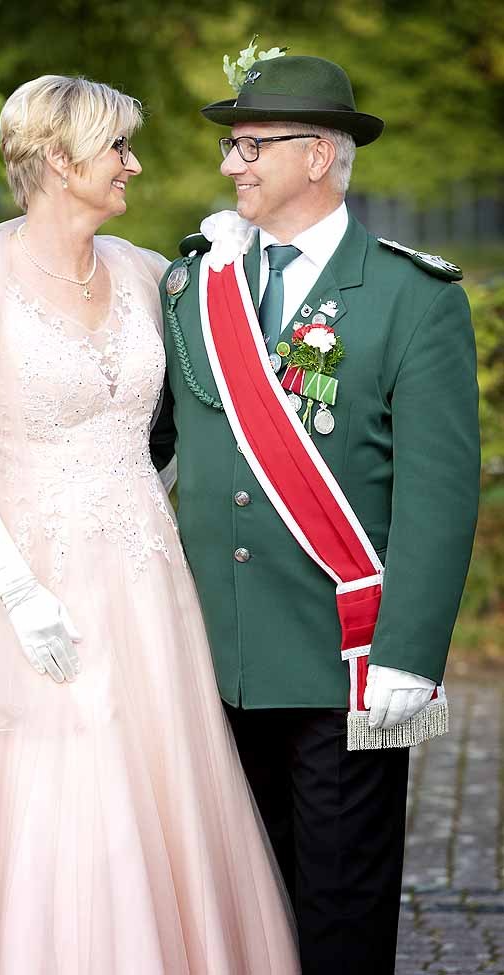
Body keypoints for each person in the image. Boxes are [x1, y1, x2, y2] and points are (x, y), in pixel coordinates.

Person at [0, 75, 301, 974]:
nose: (133, 164)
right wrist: (20, 594)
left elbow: (212, 390)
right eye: (117, 148)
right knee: (50, 790)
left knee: (154, 785)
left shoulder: (142, 271)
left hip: (147, 583)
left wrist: (235, 259)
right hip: (27, 581)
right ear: (59, 159)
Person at [151, 53, 480, 975]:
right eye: (231, 144)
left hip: (343, 660)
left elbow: (440, 493)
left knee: (338, 910)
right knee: (232, 913)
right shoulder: (195, 285)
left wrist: (408, 656)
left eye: (253, 144)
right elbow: (149, 445)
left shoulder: (414, 298)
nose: (232, 163)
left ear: (320, 155)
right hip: (207, 657)